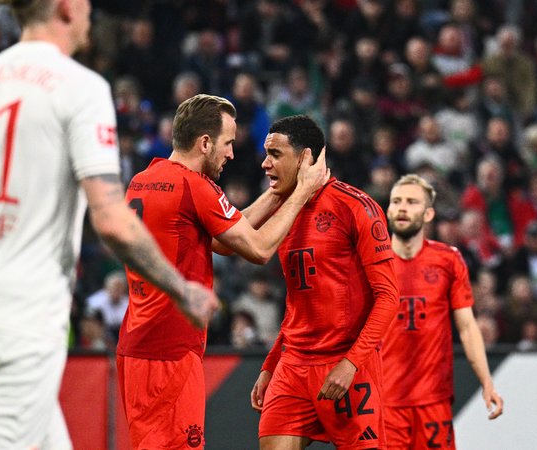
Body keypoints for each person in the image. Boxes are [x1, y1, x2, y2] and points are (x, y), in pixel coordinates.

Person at [0, 1, 219, 448]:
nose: (91, 12)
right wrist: (181, 288)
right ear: (66, 8)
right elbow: (111, 219)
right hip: (18, 316)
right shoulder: (80, 89)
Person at [118, 97, 328, 450]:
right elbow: (259, 248)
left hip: (136, 346)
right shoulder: (194, 186)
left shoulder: (143, 180)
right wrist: (303, 191)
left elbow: (223, 241)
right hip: (170, 350)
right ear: (205, 143)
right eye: (227, 142)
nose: (231, 153)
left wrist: (277, 194)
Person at [250, 115, 399, 449]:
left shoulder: (356, 207)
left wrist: (351, 363)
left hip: (347, 364)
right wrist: (272, 362)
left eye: (275, 154)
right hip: (293, 365)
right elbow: (298, 300)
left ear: (305, 158)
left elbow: (389, 296)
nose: (265, 163)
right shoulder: (283, 212)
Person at [383, 174, 503, 449]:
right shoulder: (370, 260)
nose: (402, 208)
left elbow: (467, 327)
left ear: (428, 214)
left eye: (412, 202)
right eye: (396, 201)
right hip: (383, 401)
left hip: (433, 401)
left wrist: (487, 381)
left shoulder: (448, 260)